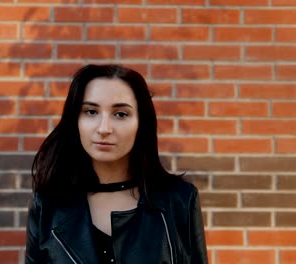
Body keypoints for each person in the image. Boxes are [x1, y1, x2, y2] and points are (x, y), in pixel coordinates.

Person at [25, 64, 208, 264]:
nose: (104, 128)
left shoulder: (179, 200)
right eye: (91, 111)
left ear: (141, 124)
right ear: (75, 120)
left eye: (121, 114)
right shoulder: (48, 204)